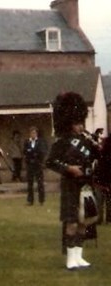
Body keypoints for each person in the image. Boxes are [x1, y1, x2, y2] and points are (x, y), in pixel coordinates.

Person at [46, 92, 100, 270]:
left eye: (81, 123)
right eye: (77, 123)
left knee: (84, 221)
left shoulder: (87, 141)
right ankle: (70, 258)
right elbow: (50, 162)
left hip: (85, 185)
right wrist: (68, 169)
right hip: (70, 184)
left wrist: (98, 147)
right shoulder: (61, 143)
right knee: (71, 221)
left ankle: (79, 255)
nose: (80, 126)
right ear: (70, 124)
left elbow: (97, 158)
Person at [23, 126, 47, 205]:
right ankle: (30, 200)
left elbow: (42, 152)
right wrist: (31, 154)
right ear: (30, 134)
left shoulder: (40, 141)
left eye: (34, 133)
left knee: (40, 183)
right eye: (32, 133)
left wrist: (33, 153)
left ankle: (41, 200)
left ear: (36, 134)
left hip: (38, 164)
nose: (33, 134)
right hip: (30, 165)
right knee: (30, 183)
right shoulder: (27, 142)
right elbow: (25, 152)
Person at [94, 134, 111, 224]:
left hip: (100, 178)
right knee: (108, 200)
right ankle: (108, 218)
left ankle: (99, 218)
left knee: (99, 200)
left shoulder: (102, 153)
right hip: (105, 178)